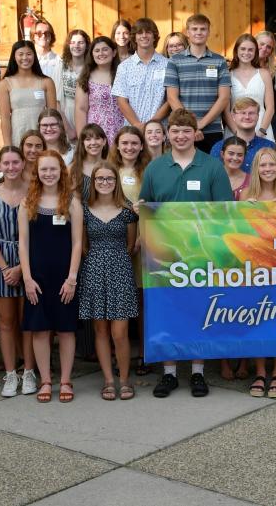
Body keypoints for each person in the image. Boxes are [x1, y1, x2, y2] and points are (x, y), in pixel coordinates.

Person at [139, 109, 234, 397]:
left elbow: (225, 211)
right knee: (166, 311)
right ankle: (169, 373)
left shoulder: (211, 167)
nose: (180, 136)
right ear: (168, 135)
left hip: (200, 254)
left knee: (198, 310)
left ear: (196, 133)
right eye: (175, 131)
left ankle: (197, 371)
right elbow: (147, 204)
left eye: (186, 130)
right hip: (162, 254)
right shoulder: (155, 168)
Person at [19, 152, 84, 403]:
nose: (49, 174)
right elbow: (22, 244)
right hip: (37, 278)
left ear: (61, 171)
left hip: (64, 277)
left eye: (53, 169)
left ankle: (65, 380)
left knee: (66, 331)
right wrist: (26, 278)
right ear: (37, 172)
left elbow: (78, 243)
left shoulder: (71, 202)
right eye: (44, 169)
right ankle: (46, 380)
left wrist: (72, 278)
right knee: (40, 331)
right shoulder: (28, 203)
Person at [79, 161, 140, 401]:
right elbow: (83, 247)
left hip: (121, 272)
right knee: (101, 331)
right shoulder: (84, 210)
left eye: (109, 179)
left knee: (120, 332)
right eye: (100, 179)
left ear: (116, 182)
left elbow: (131, 245)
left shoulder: (127, 211)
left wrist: (114, 259)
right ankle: (107, 380)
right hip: (94, 271)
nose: (105, 183)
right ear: (93, 182)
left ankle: (124, 380)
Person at [236, 148, 276, 399]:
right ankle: (260, 372)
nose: (267, 169)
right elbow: (236, 228)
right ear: (256, 169)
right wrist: (244, 211)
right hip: (255, 267)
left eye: (272, 165)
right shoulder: (245, 195)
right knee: (257, 319)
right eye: (263, 166)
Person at [0, 146, 33, 398]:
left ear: (23, 163)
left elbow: (40, 234)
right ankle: (11, 373)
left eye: (16, 162)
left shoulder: (34, 192)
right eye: (6, 163)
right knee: (6, 323)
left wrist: (22, 268)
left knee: (28, 322)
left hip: (29, 262)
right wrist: (5, 268)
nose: (11, 167)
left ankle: (30, 371)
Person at [165, 14, 232, 153]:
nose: (199, 32)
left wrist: (201, 124)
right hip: (182, 130)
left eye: (203, 29)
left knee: (210, 172)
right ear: (187, 33)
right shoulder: (174, 61)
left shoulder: (219, 61)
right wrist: (191, 126)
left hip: (212, 129)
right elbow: (172, 97)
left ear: (209, 32)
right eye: (194, 29)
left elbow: (224, 97)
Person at [0, 40, 58, 148]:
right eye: (20, 54)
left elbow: (53, 115)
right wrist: (7, 145)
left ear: (34, 56)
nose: (25, 58)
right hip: (17, 135)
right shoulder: (5, 84)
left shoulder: (46, 82)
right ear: (14, 57)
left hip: (42, 136)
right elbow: (5, 118)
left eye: (29, 54)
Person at [113, 17, 168, 129]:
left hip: (159, 130)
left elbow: (170, 100)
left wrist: (151, 125)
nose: (144, 36)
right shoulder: (124, 67)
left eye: (148, 32)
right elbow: (122, 101)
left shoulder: (168, 65)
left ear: (154, 37)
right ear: (134, 38)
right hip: (133, 131)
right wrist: (137, 125)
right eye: (139, 33)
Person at [75, 36, 125, 148]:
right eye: (97, 50)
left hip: (121, 131)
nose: (101, 53)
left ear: (114, 52)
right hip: (96, 134)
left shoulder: (123, 74)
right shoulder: (86, 78)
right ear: (92, 54)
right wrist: (82, 139)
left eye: (105, 49)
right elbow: (81, 110)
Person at [226, 33, 276, 140]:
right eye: (243, 49)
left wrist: (262, 131)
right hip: (234, 129)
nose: (246, 53)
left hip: (261, 127)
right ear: (236, 51)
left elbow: (270, 107)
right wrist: (237, 133)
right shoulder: (228, 75)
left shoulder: (264, 74)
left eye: (250, 50)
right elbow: (225, 110)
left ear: (255, 52)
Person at [210, 97, 274, 172]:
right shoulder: (219, 147)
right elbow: (213, 176)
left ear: (258, 116)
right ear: (233, 116)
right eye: (242, 113)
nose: (247, 117)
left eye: (251, 113)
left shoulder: (270, 147)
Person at [59, 30, 91, 140]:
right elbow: (56, 101)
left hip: (88, 114)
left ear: (87, 46)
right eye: (73, 42)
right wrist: (68, 129)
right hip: (66, 114)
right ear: (68, 45)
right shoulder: (61, 66)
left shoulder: (91, 68)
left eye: (81, 42)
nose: (76, 46)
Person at [109, 126, 150, 205]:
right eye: (124, 143)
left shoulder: (150, 171)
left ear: (141, 146)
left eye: (134, 143)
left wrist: (145, 208)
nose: (129, 147)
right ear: (117, 145)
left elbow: (158, 204)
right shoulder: (108, 170)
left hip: (140, 216)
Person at [70, 124, 109, 200]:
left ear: (104, 141)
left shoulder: (112, 166)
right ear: (82, 143)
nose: (93, 142)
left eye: (97, 138)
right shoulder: (73, 168)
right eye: (88, 139)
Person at [31, 19, 63, 89]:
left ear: (51, 36)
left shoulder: (60, 62)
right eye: (39, 33)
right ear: (33, 36)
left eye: (47, 33)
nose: (43, 36)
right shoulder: (28, 61)